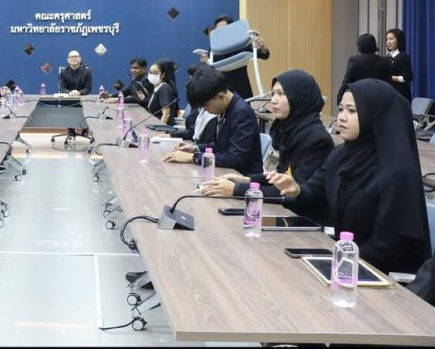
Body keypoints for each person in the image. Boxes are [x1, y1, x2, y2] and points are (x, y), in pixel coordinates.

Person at [267, 79, 431, 273]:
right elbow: (314, 191)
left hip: (381, 276)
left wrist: (335, 264)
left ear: (375, 116)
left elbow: (386, 249)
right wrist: (297, 190)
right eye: (341, 109)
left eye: (352, 111)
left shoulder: (398, 172)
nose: (342, 118)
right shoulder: (340, 155)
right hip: (346, 263)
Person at [199, 70, 334, 223]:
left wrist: (236, 190)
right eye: (273, 94)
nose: (273, 100)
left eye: (281, 94)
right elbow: (281, 177)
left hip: (305, 221)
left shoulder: (317, 140)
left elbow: (292, 190)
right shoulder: (290, 129)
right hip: (286, 212)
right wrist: (245, 180)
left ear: (299, 97)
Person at [164, 65, 262, 176]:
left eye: (206, 106)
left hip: (242, 178)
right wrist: (195, 149)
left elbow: (234, 158)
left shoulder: (241, 113)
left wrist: (193, 157)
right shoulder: (225, 109)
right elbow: (219, 146)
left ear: (221, 96)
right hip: (224, 173)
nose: (205, 110)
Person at [199, 14, 270, 100]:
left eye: (224, 29)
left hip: (242, 91)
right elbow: (210, 70)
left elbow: (264, 55)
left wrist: (262, 47)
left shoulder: (240, 44)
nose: (222, 32)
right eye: (218, 31)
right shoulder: (214, 49)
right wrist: (205, 62)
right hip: (222, 93)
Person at [336, 33, 391, 105]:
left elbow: (347, 80)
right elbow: (388, 82)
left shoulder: (354, 60)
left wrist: (340, 97)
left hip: (360, 98)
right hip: (379, 99)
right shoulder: (385, 61)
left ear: (360, 46)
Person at [136, 59, 178, 125]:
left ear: (163, 75)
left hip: (163, 128)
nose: (152, 75)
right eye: (150, 72)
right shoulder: (156, 87)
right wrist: (144, 99)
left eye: (155, 73)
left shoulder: (164, 88)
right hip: (154, 123)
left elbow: (166, 114)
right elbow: (156, 106)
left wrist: (160, 129)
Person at [386, 28, 413, 103]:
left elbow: (407, 77)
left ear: (399, 40)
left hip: (401, 94)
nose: (388, 42)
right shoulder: (387, 57)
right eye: (387, 39)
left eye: (391, 39)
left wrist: (390, 77)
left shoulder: (403, 56)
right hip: (389, 93)